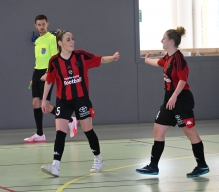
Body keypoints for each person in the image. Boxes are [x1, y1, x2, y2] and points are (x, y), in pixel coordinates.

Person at [40, 29, 120, 177]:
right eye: (68, 39)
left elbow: (100, 59)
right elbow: (50, 81)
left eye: (72, 39)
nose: (72, 42)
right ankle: (55, 166)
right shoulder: (54, 61)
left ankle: (98, 159)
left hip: (81, 99)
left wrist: (113, 57)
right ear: (60, 43)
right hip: (63, 101)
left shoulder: (81, 55)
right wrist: (44, 100)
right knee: (60, 133)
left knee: (88, 130)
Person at [136, 26, 210, 177]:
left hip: (181, 99)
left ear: (170, 41)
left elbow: (183, 80)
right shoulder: (168, 58)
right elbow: (159, 63)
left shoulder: (179, 59)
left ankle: (202, 165)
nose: (161, 40)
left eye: (163, 38)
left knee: (191, 133)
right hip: (169, 99)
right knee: (158, 131)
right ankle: (153, 166)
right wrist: (147, 60)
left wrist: (175, 96)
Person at [24, 15, 78, 143]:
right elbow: (39, 59)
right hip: (37, 72)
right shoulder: (37, 41)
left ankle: (71, 120)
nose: (41, 27)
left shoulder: (52, 39)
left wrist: (49, 72)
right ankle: (40, 134)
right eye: (39, 25)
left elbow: (55, 57)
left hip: (47, 72)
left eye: (43, 24)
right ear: (35, 26)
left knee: (46, 106)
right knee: (35, 103)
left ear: (47, 24)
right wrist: (35, 78)